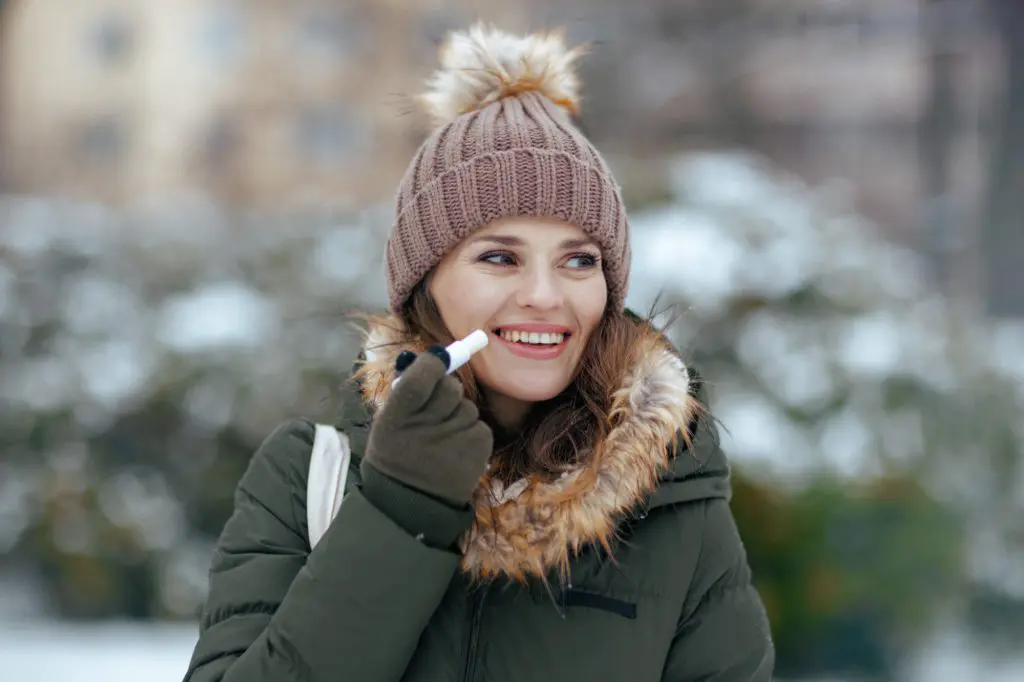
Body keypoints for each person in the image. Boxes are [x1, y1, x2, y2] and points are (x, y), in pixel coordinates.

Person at [183, 22, 774, 682]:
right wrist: (396, 510)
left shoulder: (674, 499)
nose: (546, 296)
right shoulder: (307, 478)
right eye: (499, 257)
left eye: (579, 260)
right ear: (425, 282)